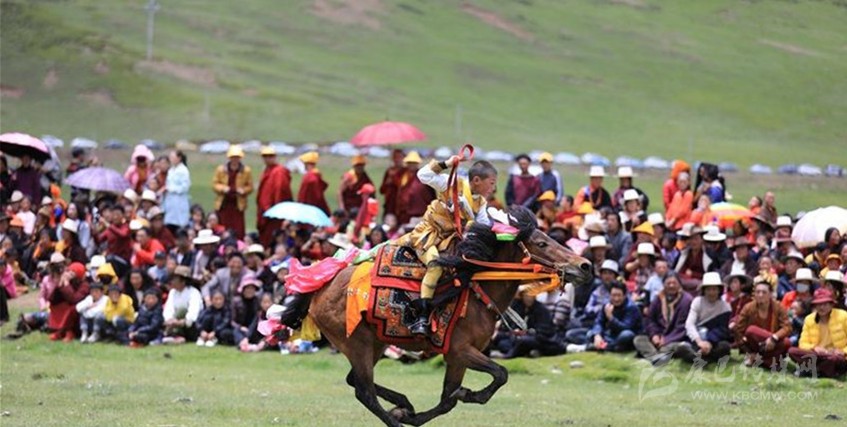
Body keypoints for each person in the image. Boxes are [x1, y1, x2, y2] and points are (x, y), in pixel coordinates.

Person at [398, 155, 497, 336]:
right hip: (428, 235)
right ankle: (421, 317)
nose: (494, 188)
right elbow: (424, 175)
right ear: (476, 180)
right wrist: (447, 164)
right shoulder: (451, 183)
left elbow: (484, 225)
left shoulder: (481, 203)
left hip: (451, 240)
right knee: (436, 266)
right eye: (491, 183)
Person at [634, 272, 694, 366]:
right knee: (639, 339)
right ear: (663, 284)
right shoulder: (658, 298)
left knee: (677, 347)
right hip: (659, 337)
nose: (671, 286)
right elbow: (650, 319)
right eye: (668, 283)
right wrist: (654, 335)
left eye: (674, 283)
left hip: (676, 338)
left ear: (679, 284)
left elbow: (683, 326)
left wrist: (666, 339)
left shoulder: (686, 300)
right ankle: (656, 357)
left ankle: (657, 356)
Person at [788, 288, 847, 378]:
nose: (821, 307)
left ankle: (811, 370)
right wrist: (815, 348)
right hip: (818, 354)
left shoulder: (843, 316)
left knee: (833, 359)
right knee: (792, 351)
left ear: (832, 304)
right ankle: (821, 370)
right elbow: (802, 343)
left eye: (825, 304)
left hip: (837, 355)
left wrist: (842, 351)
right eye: (818, 304)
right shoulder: (809, 319)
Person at [491, 286, 562, 358]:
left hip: (538, 339)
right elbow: (510, 325)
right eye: (526, 296)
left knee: (523, 341)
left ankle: (509, 355)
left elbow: (544, 331)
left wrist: (526, 332)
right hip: (518, 338)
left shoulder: (541, 310)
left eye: (530, 296)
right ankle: (528, 352)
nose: (528, 298)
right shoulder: (519, 307)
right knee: (502, 342)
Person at [733, 281, 791, 369]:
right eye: (758, 292)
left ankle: (758, 360)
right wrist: (747, 351)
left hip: (773, 344)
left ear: (770, 294)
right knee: (751, 330)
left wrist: (774, 338)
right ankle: (770, 361)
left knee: (787, 342)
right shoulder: (748, 308)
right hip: (754, 345)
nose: (760, 295)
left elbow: (787, 327)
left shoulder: (778, 307)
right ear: (754, 294)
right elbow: (738, 330)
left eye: (764, 292)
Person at [678, 272, 732, 364]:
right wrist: (699, 342)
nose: (712, 292)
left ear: (719, 290)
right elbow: (690, 324)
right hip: (697, 338)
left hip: (714, 341)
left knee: (725, 347)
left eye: (714, 289)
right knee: (681, 348)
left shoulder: (725, 307)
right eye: (709, 289)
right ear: (704, 290)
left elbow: (722, 330)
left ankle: (701, 358)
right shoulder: (697, 302)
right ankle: (703, 357)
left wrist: (709, 342)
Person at [566, 260, 619, 345]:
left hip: (609, 324)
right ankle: (593, 342)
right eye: (605, 273)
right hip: (592, 322)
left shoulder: (619, 290)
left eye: (610, 273)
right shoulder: (598, 290)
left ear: (615, 276)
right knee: (570, 331)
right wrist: (601, 308)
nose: (607, 276)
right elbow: (588, 309)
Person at [212, 145, 253, 239]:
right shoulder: (221, 169)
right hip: (224, 203)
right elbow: (214, 184)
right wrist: (223, 188)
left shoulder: (246, 171)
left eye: (237, 157)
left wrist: (243, 190)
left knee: (238, 229)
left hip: (238, 205)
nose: (235, 160)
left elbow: (250, 186)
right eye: (233, 157)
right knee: (222, 228)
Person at [587, 281, 641, 352]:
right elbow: (599, 322)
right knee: (590, 333)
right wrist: (597, 335)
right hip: (610, 334)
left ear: (624, 295)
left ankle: (605, 347)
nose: (616, 299)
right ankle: (604, 345)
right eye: (613, 295)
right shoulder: (607, 305)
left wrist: (611, 318)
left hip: (625, 335)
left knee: (627, 335)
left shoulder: (631, 307)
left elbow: (625, 327)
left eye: (619, 295)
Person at [256, 146, 292, 247]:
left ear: (275, 157)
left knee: (274, 238)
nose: (268, 159)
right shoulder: (267, 170)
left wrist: (277, 210)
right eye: (265, 156)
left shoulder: (279, 171)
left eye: (270, 156)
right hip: (265, 212)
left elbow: (280, 191)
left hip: (274, 213)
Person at [47, 262, 89, 342]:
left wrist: (66, 284)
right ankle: (60, 331)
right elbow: (52, 299)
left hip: (78, 310)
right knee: (56, 306)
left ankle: (66, 332)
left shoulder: (85, 285)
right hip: (66, 306)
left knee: (72, 309)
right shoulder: (69, 282)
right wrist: (60, 283)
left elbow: (74, 299)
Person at [163, 265, 203, 344]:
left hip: (191, 325)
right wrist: (169, 319)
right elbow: (168, 308)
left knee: (181, 310)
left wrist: (182, 322)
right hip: (174, 323)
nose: (172, 282)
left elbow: (194, 312)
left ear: (183, 281)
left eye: (175, 279)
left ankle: (176, 336)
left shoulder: (193, 293)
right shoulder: (172, 292)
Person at [395, 151, 435, 226]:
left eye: (414, 163)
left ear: (417, 164)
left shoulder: (423, 176)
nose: (411, 165)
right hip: (405, 213)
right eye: (409, 163)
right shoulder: (403, 175)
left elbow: (431, 193)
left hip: (420, 213)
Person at [674, 224, 711, 293]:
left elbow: (710, 273)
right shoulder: (684, 253)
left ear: (702, 240)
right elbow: (678, 270)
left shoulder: (709, 255)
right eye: (691, 239)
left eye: (696, 239)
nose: (693, 242)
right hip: (683, 283)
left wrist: (693, 274)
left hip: (700, 284)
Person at [162, 150, 191, 230]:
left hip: (179, 200)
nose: (171, 159)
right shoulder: (171, 170)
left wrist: (171, 189)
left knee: (180, 221)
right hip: (170, 201)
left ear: (179, 158)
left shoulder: (183, 170)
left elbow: (185, 187)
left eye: (173, 157)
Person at [232, 275, 262, 351]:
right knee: (233, 331)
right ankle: (243, 343)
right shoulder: (236, 301)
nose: (250, 291)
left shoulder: (257, 301)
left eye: (252, 289)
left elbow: (257, 319)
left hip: (253, 330)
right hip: (239, 329)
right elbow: (232, 320)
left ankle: (244, 342)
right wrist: (240, 327)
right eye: (248, 288)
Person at [297, 151, 330, 215]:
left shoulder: (310, 177)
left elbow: (305, 195)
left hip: (309, 208)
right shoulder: (316, 175)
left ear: (307, 164)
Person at [379, 149, 405, 220]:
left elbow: (404, 187)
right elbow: (381, 190)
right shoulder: (389, 171)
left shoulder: (405, 171)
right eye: (395, 157)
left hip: (400, 204)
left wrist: (394, 179)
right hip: (389, 204)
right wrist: (387, 182)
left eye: (399, 157)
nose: (397, 160)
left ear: (403, 158)